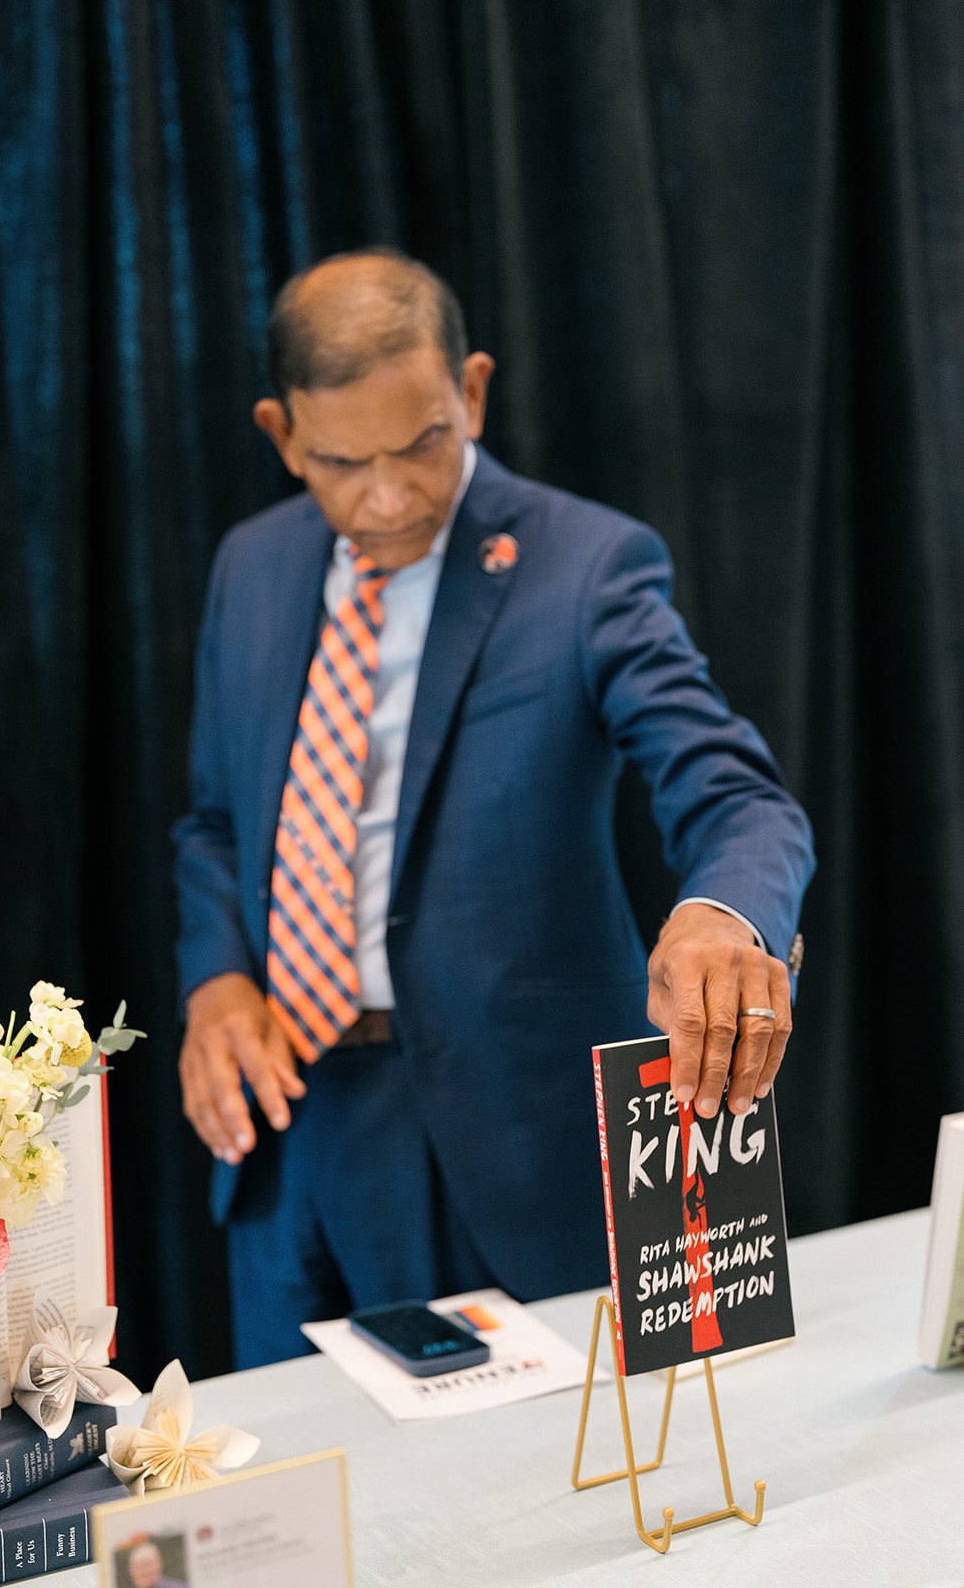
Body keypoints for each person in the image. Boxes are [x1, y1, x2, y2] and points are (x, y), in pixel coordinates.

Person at [174, 249, 815, 1367]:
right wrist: (216, 976)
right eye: (340, 462)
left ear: (468, 391)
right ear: (282, 435)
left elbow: (735, 794)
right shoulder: (252, 564)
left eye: (422, 442)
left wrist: (722, 915)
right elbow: (218, 824)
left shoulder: (586, 564)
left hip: (514, 1139)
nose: (389, 495)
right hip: (291, 1134)